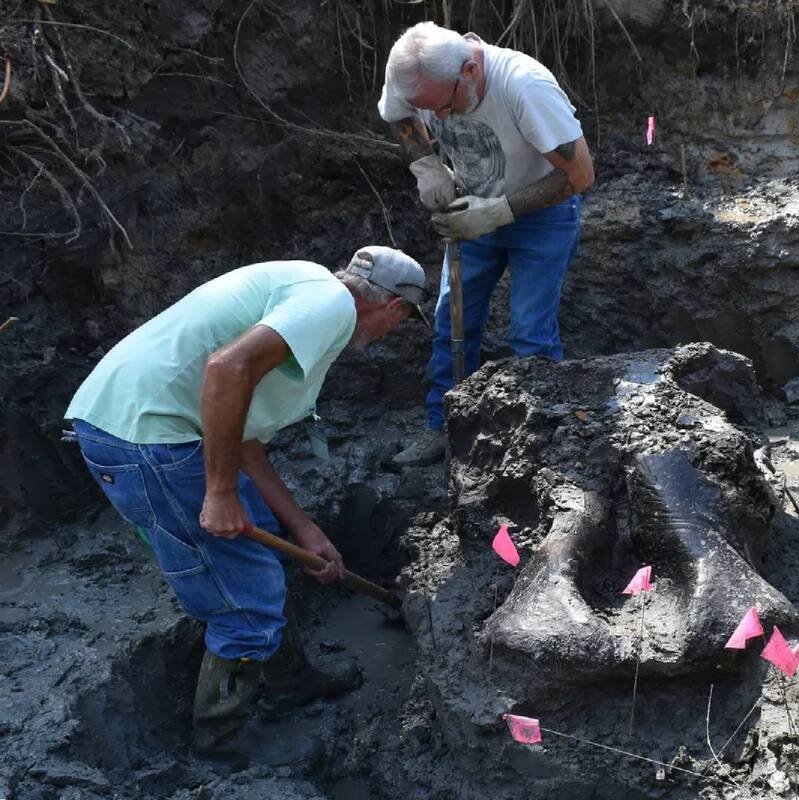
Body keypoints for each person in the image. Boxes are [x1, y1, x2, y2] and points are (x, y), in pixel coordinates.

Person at [64, 247, 428, 763]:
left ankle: (289, 682)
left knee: (261, 552)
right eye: (402, 322)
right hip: (147, 440)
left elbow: (241, 432)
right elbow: (227, 368)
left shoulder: (304, 286)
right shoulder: (330, 306)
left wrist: (303, 529)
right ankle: (222, 740)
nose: (393, 332)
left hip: (151, 426)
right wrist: (219, 492)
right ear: (394, 308)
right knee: (243, 599)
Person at [377, 21, 595, 465]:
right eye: (429, 110)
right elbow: (397, 114)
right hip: (468, 208)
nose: (439, 119)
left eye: (445, 106)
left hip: (543, 217)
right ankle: (444, 427)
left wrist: (498, 212)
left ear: (471, 69)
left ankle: (541, 442)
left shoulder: (525, 87)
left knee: (530, 332)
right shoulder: (413, 72)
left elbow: (580, 175)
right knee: (452, 321)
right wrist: (428, 167)